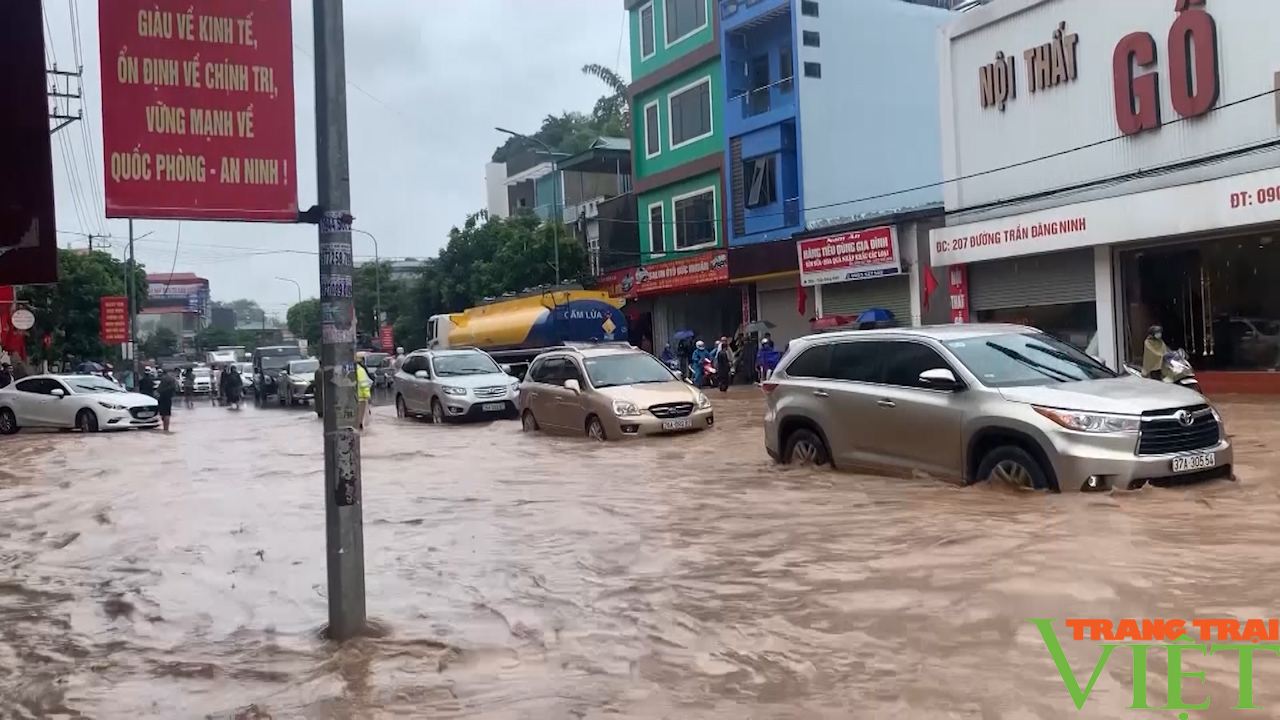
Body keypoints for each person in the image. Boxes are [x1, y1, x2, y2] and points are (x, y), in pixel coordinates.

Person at [355, 352, 372, 430]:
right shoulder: (360, 370)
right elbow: (364, 384)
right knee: (359, 419)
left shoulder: (352, 369)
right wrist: (368, 396)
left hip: (353, 398)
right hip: (361, 398)